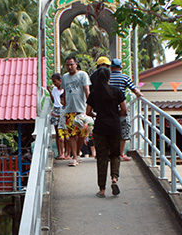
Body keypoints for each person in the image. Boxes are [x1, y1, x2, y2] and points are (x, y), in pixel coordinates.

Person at [86, 66, 126, 197]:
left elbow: (88, 112)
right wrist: (116, 114)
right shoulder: (117, 91)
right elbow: (124, 110)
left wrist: (96, 115)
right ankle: (114, 178)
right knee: (115, 155)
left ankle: (102, 189)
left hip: (100, 128)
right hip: (114, 127)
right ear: (109, 77)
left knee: (102, 158)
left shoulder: (94, 93)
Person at [109, 58, 143, 161]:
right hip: (121, 106)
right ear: (120, 68)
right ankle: (121, 153)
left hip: (109, 108)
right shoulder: (125, 77)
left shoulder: (108, 78)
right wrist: (139, 94)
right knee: (124, 130)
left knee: (111, 132)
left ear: (111, 68)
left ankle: (111, 153)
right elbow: (134, 89)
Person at [61, 55, 91, 166]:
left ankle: (77, 154)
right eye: (67, 65)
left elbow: (86, 89)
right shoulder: (65, 77)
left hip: (81, 109)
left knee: (82, 135)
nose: (69, 67)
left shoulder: (83, 75)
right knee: (71, 134)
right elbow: (64, 92)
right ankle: (74, 156)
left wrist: (90, 105)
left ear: (76, 64)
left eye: (71, 64)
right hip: (69, 110)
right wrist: (64, 103)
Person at [47, 73, 65, 159]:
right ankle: (60, 152)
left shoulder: (64, 89)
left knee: (65, 132)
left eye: (55, 81)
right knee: (58, 133)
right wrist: (49, 92)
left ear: (60, 80)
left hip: (63, 109)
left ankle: (66, 152)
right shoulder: (54, 89)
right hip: (56, 109)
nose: (54, 83)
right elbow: (54, 100)